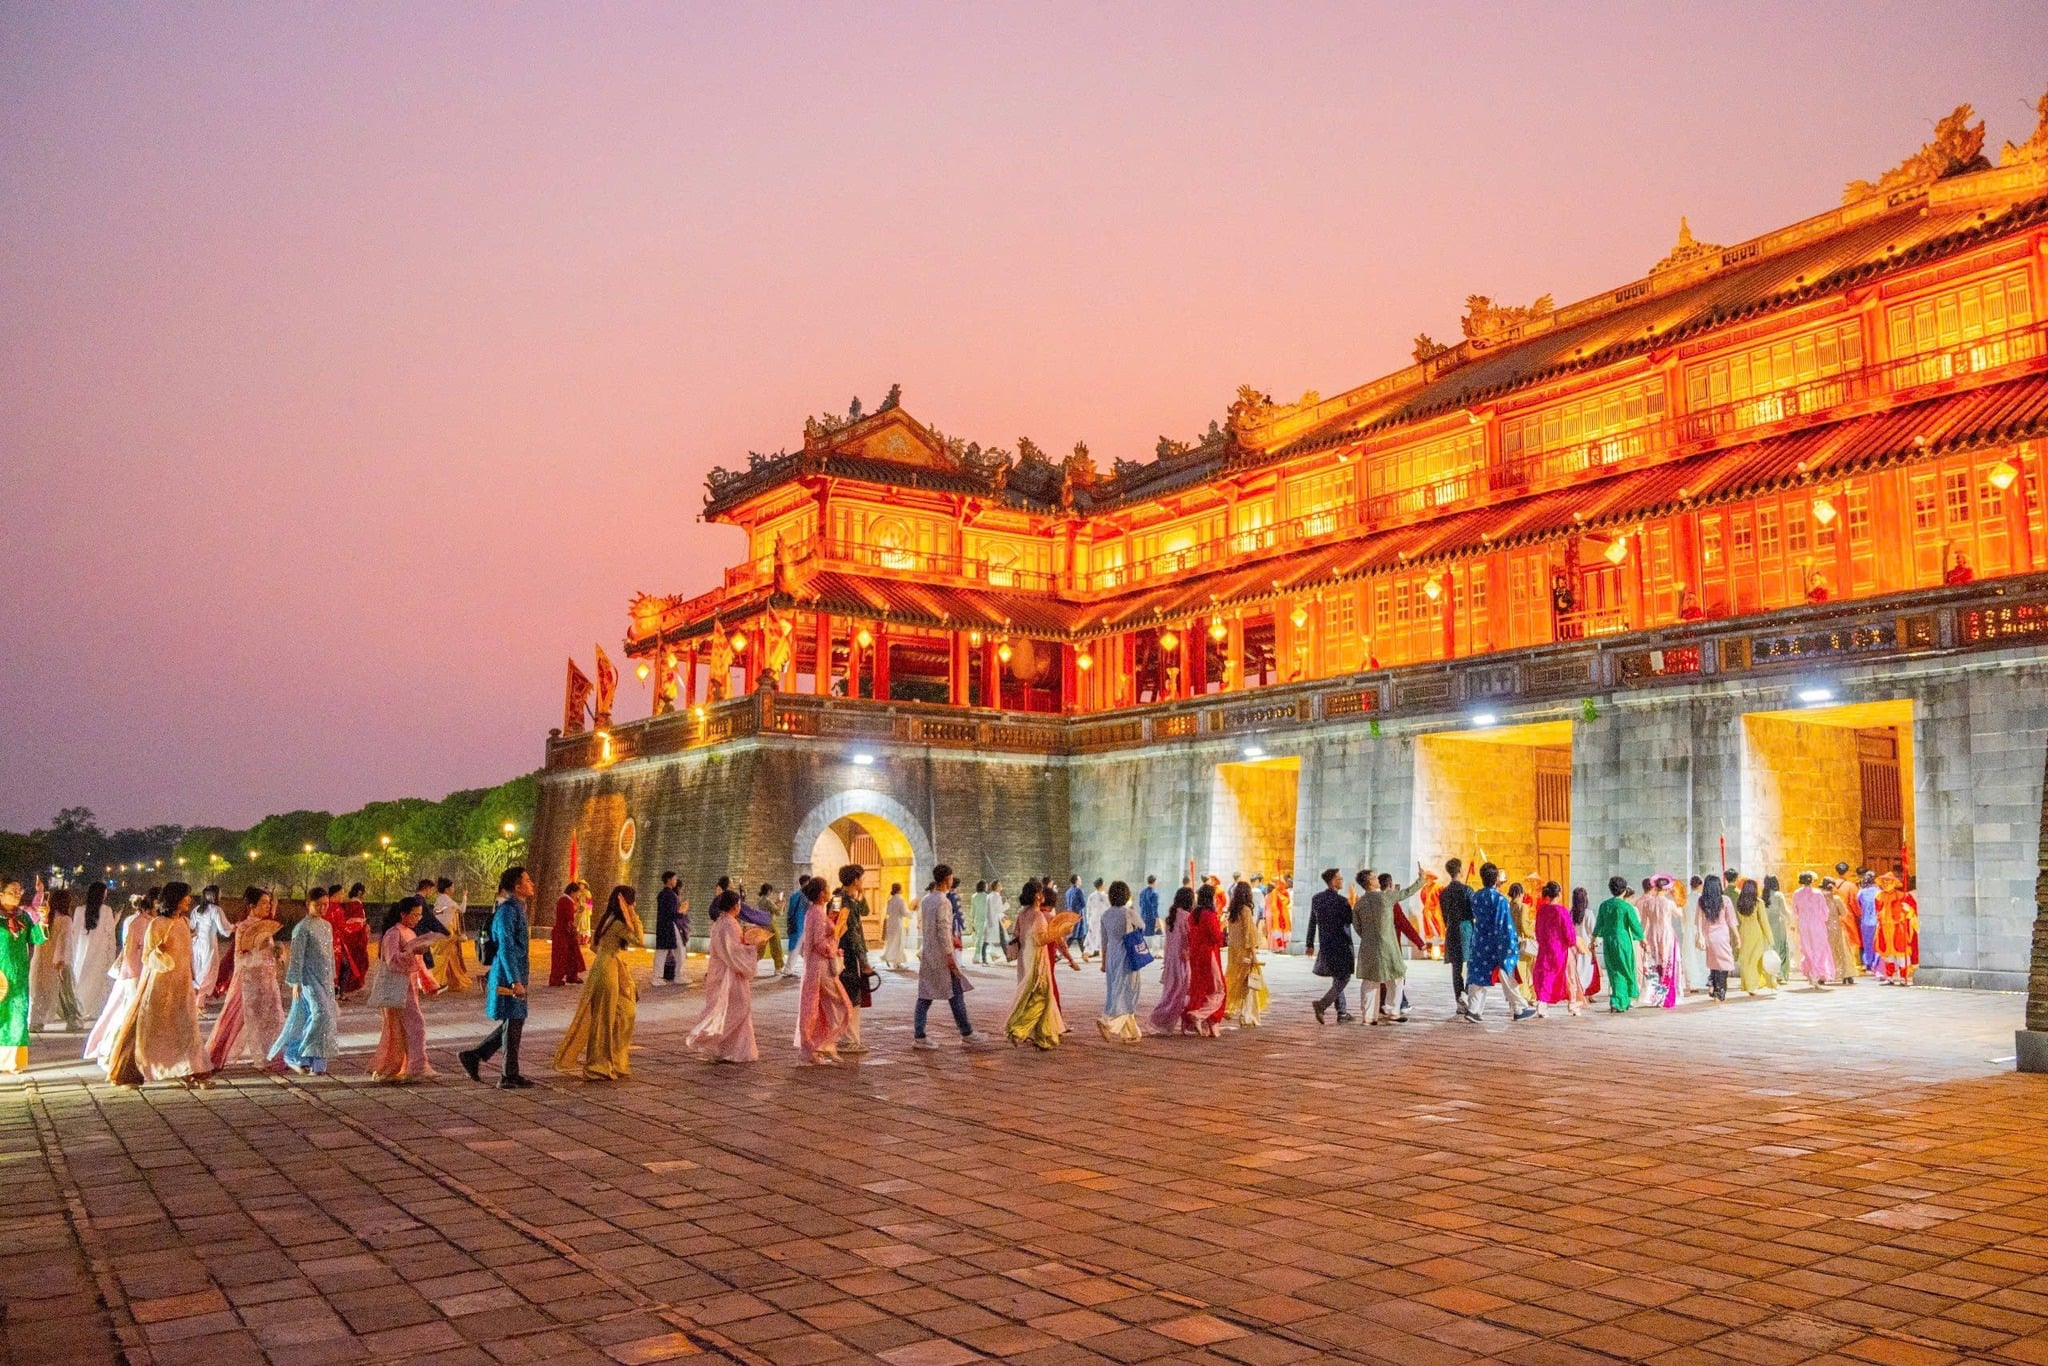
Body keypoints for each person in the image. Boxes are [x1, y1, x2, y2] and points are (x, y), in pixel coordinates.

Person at [108, 882, 211, 1086]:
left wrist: (193, 979)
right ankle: (136, 1070)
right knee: (154, 1030)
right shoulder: (157, 924)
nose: (189, 900)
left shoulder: (183, 922)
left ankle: (191, 1070)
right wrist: (159, 952)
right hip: (161, 986)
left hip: (182, 984)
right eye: (185, 897)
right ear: (175, 899)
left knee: (186, 1028)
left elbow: (187, 955)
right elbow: (147, 957)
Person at [553, 885, 644, 1079]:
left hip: (606, 966)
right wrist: (634, 915)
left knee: (626, 1011)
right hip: (606, 971)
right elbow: (640, 940)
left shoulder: (608, 918)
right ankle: (598, 1065)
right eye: (632, 901)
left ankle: (616, 1060)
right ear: (625, 902)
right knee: (604, 1018)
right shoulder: (618, 922)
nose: (634, 904)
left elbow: (595, 946)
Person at [459, 867, 534, 1088]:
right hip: (507, 973)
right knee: (514, 1019)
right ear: (517, 886)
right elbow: (506, 948)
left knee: (515, 1020)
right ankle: (507, 1074)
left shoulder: (518, 908)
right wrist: (514, 980)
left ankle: (476, 1056)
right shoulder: (508, 912)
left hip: (516, 971)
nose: (532, 884)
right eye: (527, 880)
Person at [207, 888, 286, 1071]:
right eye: (264, 903)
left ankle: (271, 1055)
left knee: (273, 1017)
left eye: (269, 902)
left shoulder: (266, 926)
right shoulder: (243, 928)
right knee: (242, 1019)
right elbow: (241, 959)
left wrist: (277, 952)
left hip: (268, 979)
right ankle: (222, 1055)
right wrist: (259, 949)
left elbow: (270, 955)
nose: (268, 906)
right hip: (249, 980)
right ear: (252, 906)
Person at [370, 897, 445, 1082]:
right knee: (415, 1025)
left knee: (407, 1027)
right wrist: (413, 952)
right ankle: (417, 1066)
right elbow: (392, 960)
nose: (418, 918)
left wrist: (429, 983)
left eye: (420, 915)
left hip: (410, 987)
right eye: (415, 914)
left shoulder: (409, 932)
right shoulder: (393, 934)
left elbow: (419, 965)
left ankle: (404, 1067)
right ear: (403, 914)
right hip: (398, 987)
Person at [914, 865, 987, 1050]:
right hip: (941, 955)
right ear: (947, 879)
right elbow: (943, 930)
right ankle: (966, 1032)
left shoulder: (926, 900)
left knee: (925, 995)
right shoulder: (943, 902)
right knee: (956, 994)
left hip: (928, 952)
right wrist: (949, 954)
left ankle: (920, 1034)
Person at [688, 889, 764, 1062]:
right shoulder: (730, 924)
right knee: (739, 1008)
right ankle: (723, 1045)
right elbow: (734, 953)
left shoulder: (719, 923)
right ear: (735, 906)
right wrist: (752, 947)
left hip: (720, 971)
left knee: (727, 1008)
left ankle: (728, 1049)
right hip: (729, 974)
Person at [85, 889, 156, 1067]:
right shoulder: (137, 922)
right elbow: (131, 949)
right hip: (133, 972)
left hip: (140, 971)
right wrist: (133, 974)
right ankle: (115, 1049)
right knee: (126, 1012)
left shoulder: (147, 921)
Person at [1005, 878, 1076, 1049]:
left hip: (1025, 957)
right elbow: (1042, 939)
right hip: (1037, 959)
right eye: (1040, 892)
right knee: (1041, 996)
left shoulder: (1023, 913)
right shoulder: (1037, 915)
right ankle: (1018, 1029)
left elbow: (1017, 933)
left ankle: (1044, 1037)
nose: (1043, 895)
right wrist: (1061, 930)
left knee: (1035, 996)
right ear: (1037, 896)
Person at [1355, 868, 1425, 1025]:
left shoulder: (1359, 903)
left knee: (1369, 982)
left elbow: (1357, 926)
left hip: (1368, 948)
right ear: (1370, 882)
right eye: (1373, 877)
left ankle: (1368, 1017)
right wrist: (1421, 879)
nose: (1376, 879)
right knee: (1397, 978)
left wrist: (1369, 938)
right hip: (1389, 947)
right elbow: (1407, 892)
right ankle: (1393, 1010)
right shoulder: (1386, 897)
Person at [1463, 864, 1532, 1022]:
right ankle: (1519, 1007)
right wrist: (1511, 943)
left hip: (1480, 940)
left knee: (1477, 975)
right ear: (1495, 879)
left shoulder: (1476, 897)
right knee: (1508, 972)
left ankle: (1473, 1009)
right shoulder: (1500, 899)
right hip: (1497, 942)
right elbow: (1503, 924)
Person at [794, 875, 851, 1064]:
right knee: (840, 1003)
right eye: (826, 889)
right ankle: (821, 1043)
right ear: (821, 893)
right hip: (820, 966)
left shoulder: (815, 911)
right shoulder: (818, 913)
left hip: (815, 966)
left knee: (816, 1006)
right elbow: (819, 942)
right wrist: (834, 941)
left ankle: (815, 1046)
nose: (829, 892)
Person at [0, 880, 46, 1071]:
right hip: (1, 975)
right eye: (12, 891)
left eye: (20, 890)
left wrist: (43, 921)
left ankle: (12, 1062)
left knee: (18, 1016)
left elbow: (36, 938)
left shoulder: (24, 917)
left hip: (18, 976)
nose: (18, 894)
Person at [1094, 880, 1145, 1044]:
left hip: (1112, 956)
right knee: (1129, 992)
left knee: (1115, 991)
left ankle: (1131, 1033)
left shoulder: (1106, 914)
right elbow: (1142, 926)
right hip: (1127, 955)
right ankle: (1108, 1023)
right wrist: (1133, 910)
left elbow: (1104, 940)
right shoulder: (1128, 913)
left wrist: (1103, 962)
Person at [28, 885, 83, 1034]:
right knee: (67, 993)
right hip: (59, 962)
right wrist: (60, 961)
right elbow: (63, 942)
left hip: (41, 961)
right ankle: (73, 1020)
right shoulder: (65, 919)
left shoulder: (45, 918)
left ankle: (35, 1022)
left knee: (40, 992)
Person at [1305, 869, 1354, 1025]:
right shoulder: (1342, 901)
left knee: (1337, 977)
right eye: (1339, 879)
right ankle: (1322, 1004)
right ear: (1333, 881)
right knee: (1344, 977)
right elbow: (1349, 919)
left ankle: (1342, 1012)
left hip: (1325, 943)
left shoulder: (1317, 899)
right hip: (1341, 944)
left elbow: (1312, 921)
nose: (1342, 881)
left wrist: (1309, 943)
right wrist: (1353, 903)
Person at [834, 867, 875, 1055]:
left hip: (839, 954)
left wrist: (861, 893)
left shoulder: (838, 899)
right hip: (850, 956)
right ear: (855, 880)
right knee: (852, 997)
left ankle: (842, 1037)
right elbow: (853, 934)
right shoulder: (847, 903)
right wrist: (863, 960)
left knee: (842, 996)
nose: (863, 881)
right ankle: (850, 1040)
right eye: (861, 879)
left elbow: (865, 910)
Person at [1591, 877, 1645, 1013]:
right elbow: (1635, 926)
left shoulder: (1604, 905)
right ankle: (1621, 1000)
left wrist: (1592, 940)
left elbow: (1599, 924)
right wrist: (1643, 941)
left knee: (1613, 970)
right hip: (1623, 941)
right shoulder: (1627, 907)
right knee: (1625, 969)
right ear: (1625, 889)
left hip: (1609, 940)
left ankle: (1617, 1000)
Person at [1181, 883, 1227, 1036]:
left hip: (1196, 954)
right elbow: (1216, 936)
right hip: (1209, 954)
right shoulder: (1209, 915)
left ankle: (1206, 1022)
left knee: (1200, 988)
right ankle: (1199, 1014)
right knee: (1219, 990)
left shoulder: (1193, 915)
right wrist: (1223, 929)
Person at [70, 881, 119, 1022]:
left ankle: (81, 1007)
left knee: (82, 978)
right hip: (101, 952)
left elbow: (74, 932)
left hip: (82, 952)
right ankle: (95, 1009)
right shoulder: (106, 911)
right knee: (98, 980)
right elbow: (110, 934)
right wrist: (112, 952)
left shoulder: (80, 910)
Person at [1223, 881, 1269, 1027]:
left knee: (1234, 980)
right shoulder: (1246, 910)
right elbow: (1249, 934)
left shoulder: (1233, 912)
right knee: (1250, 984)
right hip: (1244, 952)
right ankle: (1248, 1015)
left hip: (1233, 952)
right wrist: (1253, 954)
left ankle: (1229, 1007)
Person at [1530, 882, 1577, 1018]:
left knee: (1545, 976)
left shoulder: (1541, 910)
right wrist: (1572, 943)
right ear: (1559, 894)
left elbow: (1538, 930)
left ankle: (1542, 1003)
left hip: (1544, 947)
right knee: (1567, 976)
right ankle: (1572, 1005)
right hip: (1560, 949)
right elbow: (1569, 932)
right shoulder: (1562, 911)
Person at [1639, 876, 1684, 1009]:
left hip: (1652, 934)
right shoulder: (1668, 903)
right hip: (1666, 934)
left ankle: (1655, 996)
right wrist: (1679, 902)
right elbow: (1679, 914)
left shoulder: (1648, 903)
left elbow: (1643, 922)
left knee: (1655, 965)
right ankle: (1666, 997)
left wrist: (1642, 938)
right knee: (1668, 965)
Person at [1789, 872, 1837, 989]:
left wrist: (1796, 923)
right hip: (1817, 924)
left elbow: (1795, 911)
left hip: (1804, 924)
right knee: (1819, 949)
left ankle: (1811, 974)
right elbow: (1825, 911)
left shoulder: (1796, 893)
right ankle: (1816, 974)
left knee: (1807, 949)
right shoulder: (1818, 894)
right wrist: (1822, 919)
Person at [1439, 859, 1474, 1017]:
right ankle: (1465, 994)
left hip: (1452, 929)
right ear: (1460, 870)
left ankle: (1459, 999)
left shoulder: (1444, 892)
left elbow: (1444, 915)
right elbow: (1473, 911)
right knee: (1472, 964)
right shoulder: (1467, 890)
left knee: (1456, 967)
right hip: (1466, 928)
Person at [1694, 874, 1735, 1002]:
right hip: (1722, 935)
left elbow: (1698, 920)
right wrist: (1738, 937)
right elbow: (1731, 921)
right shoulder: (1725, 900)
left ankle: (1713, 982)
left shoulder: (1702, 901)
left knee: (1714, 962)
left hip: (1709, 935)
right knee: (1725, 963)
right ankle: (1720, 990)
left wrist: (1700, 935)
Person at [1733, 878, 1778, 994]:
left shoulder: (1739, 902)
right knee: (1756, 959)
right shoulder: (1758, 903)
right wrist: (1770, 938)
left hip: (1743, 932)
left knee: (1746, 960)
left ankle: (1749, 985)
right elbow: (1764, 922)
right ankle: (1755, 985)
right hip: (1756, 932)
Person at [187, 886, 231, 999]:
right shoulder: (216, 910)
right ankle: (199, 1002)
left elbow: (191, 926)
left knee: (198, 971)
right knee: (208, 972)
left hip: (196, 944)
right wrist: (233, 927)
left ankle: (196, 998)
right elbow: (224, 929)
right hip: (209, 944)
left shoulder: (196, 909)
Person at [1875, 874, 1920, 985]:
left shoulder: (1903, 896)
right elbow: (1878, 910)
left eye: (1888, 882)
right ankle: (1889, 977)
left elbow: (1913, 910)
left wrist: (1907, 910)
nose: (1885, 884)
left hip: (1898, 928)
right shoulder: (1878, 896)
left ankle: (1903, 977)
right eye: (1884, 882)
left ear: (1894, 883)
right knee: (1887, 955)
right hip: (1884, 928)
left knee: (1901, 953)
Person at [332, 884, 370, 997]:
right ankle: (342, 990)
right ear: (359, 893)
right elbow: (351, 924)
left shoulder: (347, 905)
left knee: (345, 965)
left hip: (345, 939)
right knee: (349, 964)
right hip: (351, 939)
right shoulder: (355, 905)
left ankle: (341, 991)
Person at [1567, 886, 1600, 1009]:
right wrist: (1596, 942)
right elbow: (1594, 930)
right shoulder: (1588, 913)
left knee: (1577, 970)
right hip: (1586, 946)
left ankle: (1578, 993)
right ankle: (1583, 994)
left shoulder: (1571, 913)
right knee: (1587, 971)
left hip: (1575, 946)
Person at [1822, 877, 1859, 985]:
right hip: (1836, 927)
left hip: (1824, 927)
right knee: (1842, 951)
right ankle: (1846, 974)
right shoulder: (1836, 899)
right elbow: (1844, 913)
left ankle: (1824, 974)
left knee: (1826, 951)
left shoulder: (1819, 897)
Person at [654, 873, 689, 986]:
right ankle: (678, 975)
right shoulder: (669, 895)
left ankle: (658, 976)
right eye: (674, 879)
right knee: (679, 950)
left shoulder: (663, 894)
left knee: (663, 951)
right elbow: (671, 913)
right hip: (670, 926)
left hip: (664, 926)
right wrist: (681, 911)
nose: (675, 880)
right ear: (669, 880)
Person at [550, 881, 586, 987]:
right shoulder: (566, 901)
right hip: (563, 932)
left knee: (572, 954)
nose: (578, 896)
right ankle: (556, 979)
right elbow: (568, 918)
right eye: (577, 893)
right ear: (572, 892)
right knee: (561, 956)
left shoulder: (567, 901)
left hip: (566, 932)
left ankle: (572, 975)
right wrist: (573, 931)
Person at [1763, 874, 1795, 982]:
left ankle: (1770, 974)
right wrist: (1792, 921)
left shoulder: (1762, 896)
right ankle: (1780, 974)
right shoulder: (1779, 895)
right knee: (1781, 948)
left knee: (1770, 948)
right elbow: (1785, 911)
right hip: (1778, 924)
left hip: (1767, 925)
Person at [752, 882, 787, 976]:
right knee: (776, 947)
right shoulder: (768, 901)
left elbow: (768, 909)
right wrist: (783, 904)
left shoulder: (760, 901)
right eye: (771, 891)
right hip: (771, 926)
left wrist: (776, 902)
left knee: (760, 949)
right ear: (768, 891)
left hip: (762, 926)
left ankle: (750, 966)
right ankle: (778, 968)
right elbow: (778, 912)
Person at [881, 883, 911, 970]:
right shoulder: (901, 900)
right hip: (898, 923)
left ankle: (892, 960)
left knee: (892, 942)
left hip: (891, 923)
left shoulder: (890, 900)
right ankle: (897, 962)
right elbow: (904, 912)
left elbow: (888, 912)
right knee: (899, 942)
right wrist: (911, 913)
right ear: (899, 890)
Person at [1855, 872, 1880, 976]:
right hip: (1877, 920)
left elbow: (1859, 904)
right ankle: (1876, 963)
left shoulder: (1861, 892)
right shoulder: (1878, 891)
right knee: (1877, 943)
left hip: (1866, 921)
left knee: (1867, 943)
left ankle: (1868, 963)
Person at [1138, 875, 1161, 941]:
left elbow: (1140, 905)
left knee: (1142, 939)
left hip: (1142, 918)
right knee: (1150, 941)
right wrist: (1158, 923)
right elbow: (1155, 910)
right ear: (1154, 882)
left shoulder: (1142, 892)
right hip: (1150, 920)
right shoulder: (1154, 893)